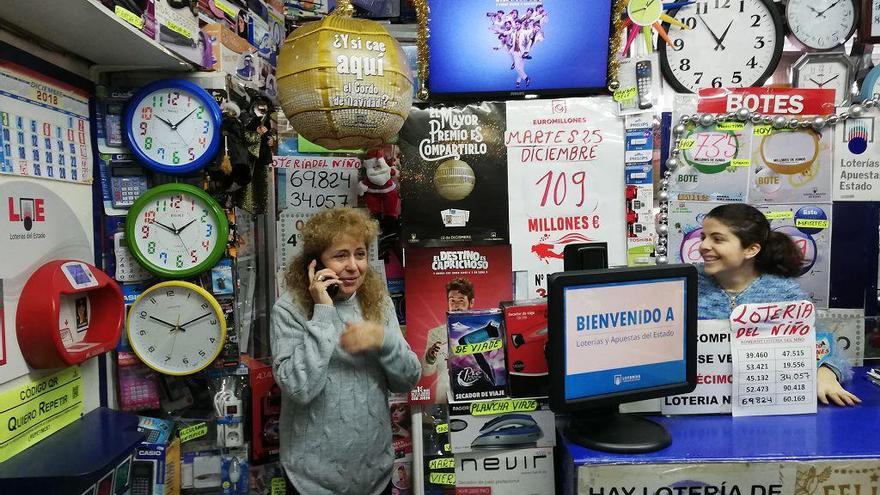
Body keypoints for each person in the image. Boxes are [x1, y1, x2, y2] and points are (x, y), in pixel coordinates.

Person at [272, 208, 421, 495]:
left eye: (360, 254)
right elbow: (299, 388)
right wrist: (324, 310)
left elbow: (408, 380)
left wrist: (383, 340)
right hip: (310, 480)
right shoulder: (289, 309)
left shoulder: (376, 302)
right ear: (315, 264)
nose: (353, 266)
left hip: (374, 476)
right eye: (341, 256)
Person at [697, 203, 860, 407]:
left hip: (763, 406)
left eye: (717, 239)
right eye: (703, 237)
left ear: (751, 249)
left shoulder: (787, 294)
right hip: (700, 404)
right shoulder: (685, 284)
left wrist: (825, 373)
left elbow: (826, 347)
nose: (703, 246)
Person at [421, 278, 475, 403]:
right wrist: (430, 356)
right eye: (452, 301)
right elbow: (427, 372)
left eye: (461, 301)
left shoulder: (482, 332)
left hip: (474, 395)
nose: (456, 306)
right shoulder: (436, 334)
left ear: (471, 303)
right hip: (444, 398)